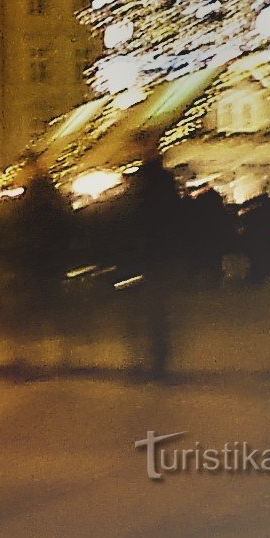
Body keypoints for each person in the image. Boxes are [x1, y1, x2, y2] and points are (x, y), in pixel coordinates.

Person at [118, 147, 184, 382]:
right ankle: (155, 362)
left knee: (149, 312)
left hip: (148, 254)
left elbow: (133, 217)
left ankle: (152, 362)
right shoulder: (159, 180)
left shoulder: (142, 182)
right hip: (155, 253)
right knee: (153, 313)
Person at [2, 161, 72, 373]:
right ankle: (59, 356)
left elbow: (24, 229)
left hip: (35, 261)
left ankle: (27, 360)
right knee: (48, 310)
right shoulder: (51, 197)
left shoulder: (34, 199)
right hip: (48, 261)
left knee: (29, 313)